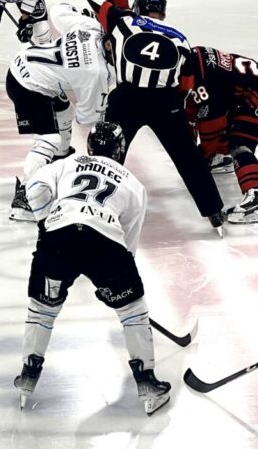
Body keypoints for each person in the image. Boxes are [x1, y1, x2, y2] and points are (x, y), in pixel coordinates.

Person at [13, 121, 171, 415]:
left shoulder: (69, 162)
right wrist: (112, 286)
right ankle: (147, 382)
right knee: (133, 311)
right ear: (120, 149)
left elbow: (34, 188)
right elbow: (127, 245)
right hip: (105, 244)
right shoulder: (133, 184)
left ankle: (28, 375)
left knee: (43, 309)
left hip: (57, 239)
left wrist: (47, 224)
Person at [78, 0, 226, 234]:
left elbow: (94, 0)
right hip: (165, 103)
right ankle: (214, 211)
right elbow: (187, 85)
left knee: (108, 153)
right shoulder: (181, 39)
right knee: (188, 157)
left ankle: (94, 207)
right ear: (163, 11)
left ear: (138, 7)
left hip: (126, 100)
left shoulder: (123, 22)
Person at [6, 2, 112, 221]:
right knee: (49, 138)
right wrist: (103, 100)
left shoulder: (92, 27)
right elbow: (87, 118)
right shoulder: (96, 73)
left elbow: (58, 10)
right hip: (28, 85)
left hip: (23, 63)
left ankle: (57, 162)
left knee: (64, 110)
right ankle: (25, 197)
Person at [182, 46, 258, 224]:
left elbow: (212, 126)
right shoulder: (194, 59)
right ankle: (221, 158)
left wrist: (202, 157)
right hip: (248, 91)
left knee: (239, 144)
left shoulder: (202, 82)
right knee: (224, 130)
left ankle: (255, 201)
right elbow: (192, 111)